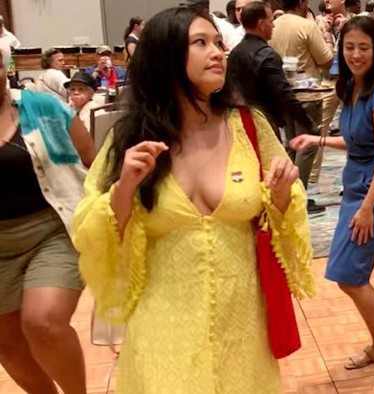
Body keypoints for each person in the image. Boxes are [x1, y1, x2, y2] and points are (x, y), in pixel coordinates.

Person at [72, 7, 314, 392]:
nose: (217, 52)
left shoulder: (248, 125)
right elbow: (93, 233)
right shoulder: (131, 138)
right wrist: (124, 189)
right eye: (200, 43)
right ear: (165, 56)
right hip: (162, 326)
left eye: (218, 42)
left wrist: (282, 194)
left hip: (242, 324)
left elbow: (286, 215)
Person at [289, 16, 374, 391]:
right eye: (349, 47)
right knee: (350, 276)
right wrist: (318, 140)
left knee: (351, 276)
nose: (356, 54)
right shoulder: (354, 87)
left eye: (364, 47)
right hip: (356, 187)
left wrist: (366, 209)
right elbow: (359, 144)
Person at [0, 50, 94, 394]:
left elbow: (91, 161)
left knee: (43, 322)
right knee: (7, 342)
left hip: (52, 230)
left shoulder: (41, 108)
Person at [228, 1, 324, 214]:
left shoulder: (236, 53)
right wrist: (308, 123)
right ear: (262, 24)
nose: (273, 25)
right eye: (271, 20)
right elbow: (284, 96)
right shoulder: (267, 55)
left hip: (238, 121)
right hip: (264, 122)